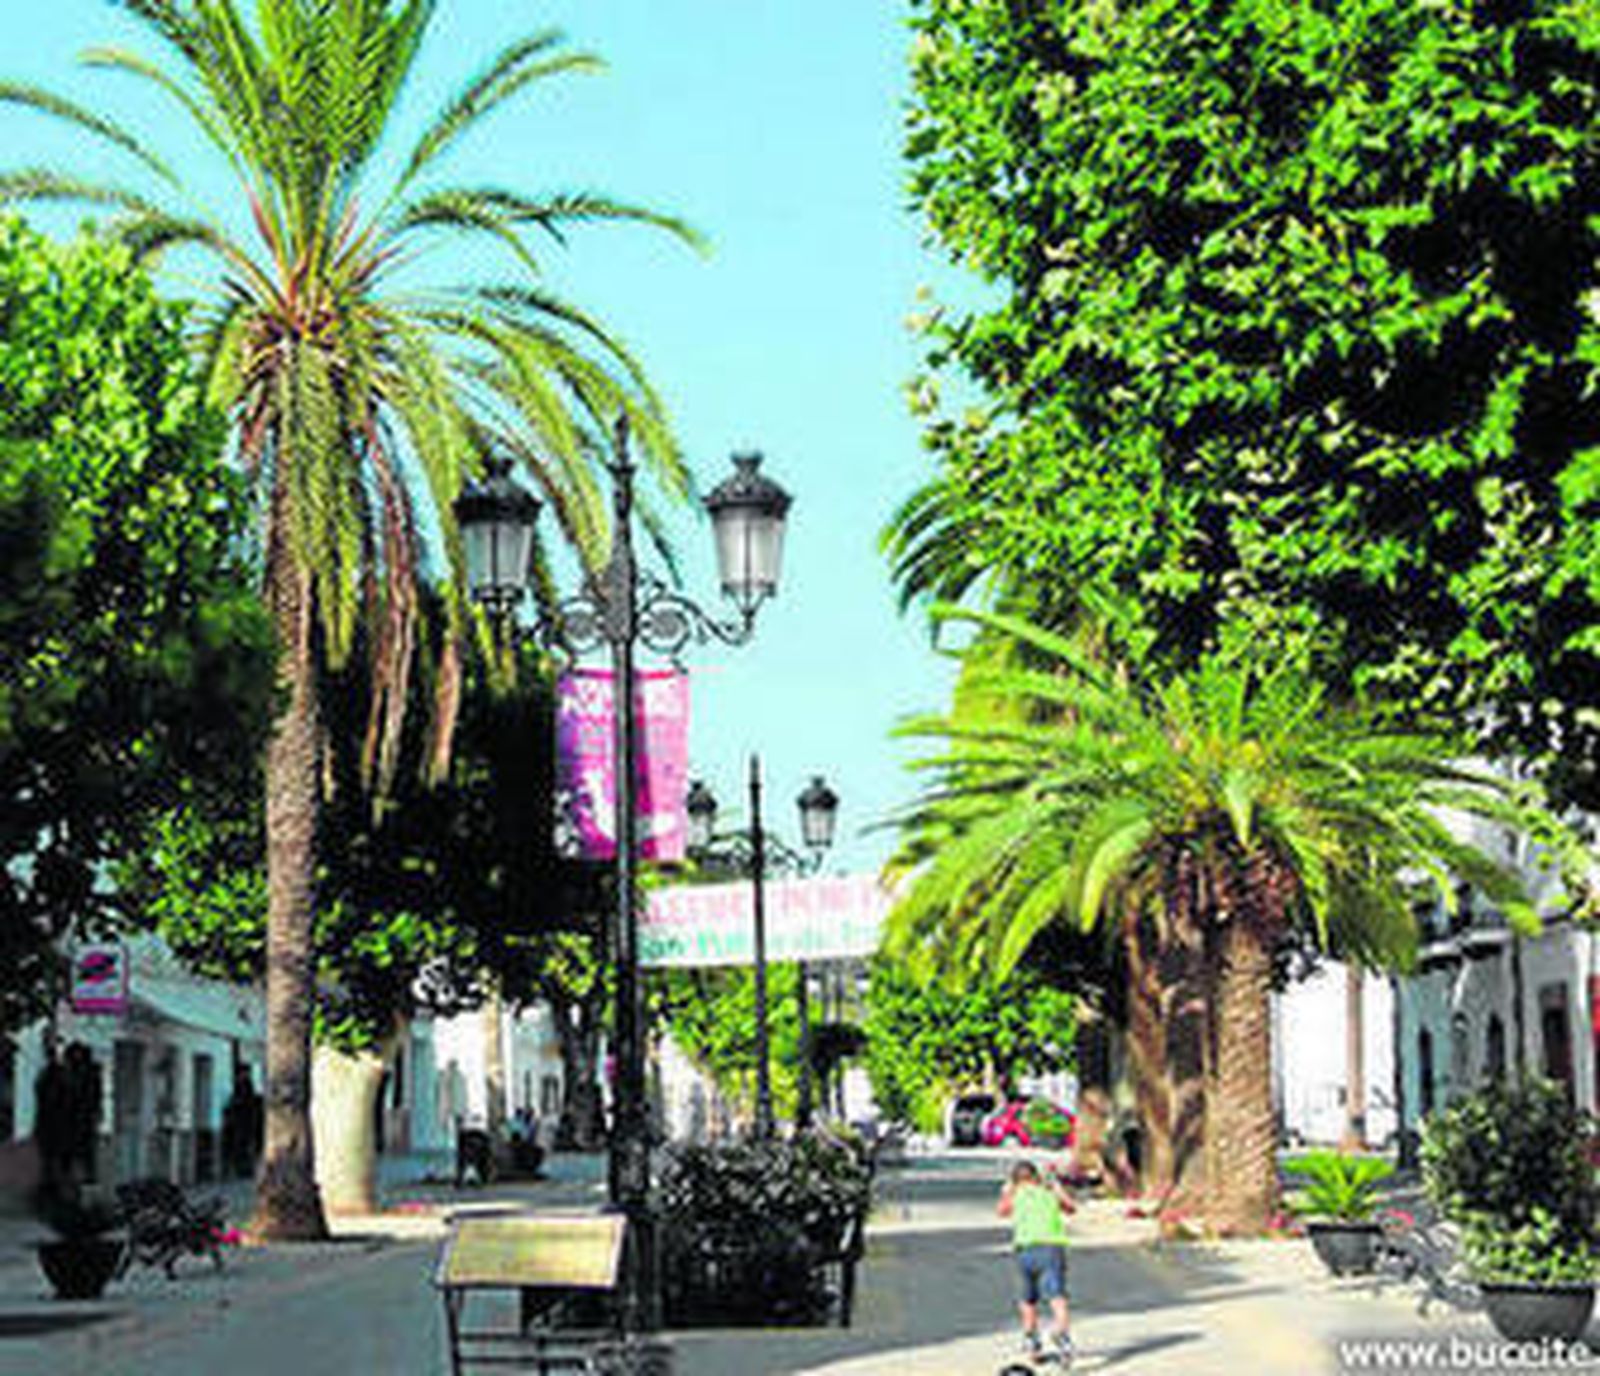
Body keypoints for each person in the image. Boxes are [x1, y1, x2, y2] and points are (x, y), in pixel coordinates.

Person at [997, 1160, 1076, 1365]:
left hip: (1025, 1249)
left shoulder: (1016, 1195)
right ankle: (1061, 1333)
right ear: (1036, 1178)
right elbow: (1070, 1208)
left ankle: (1032, 1339)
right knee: (1057, 1296)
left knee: (1028, 1298)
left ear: (1016, 1181)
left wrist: (1007, 1191)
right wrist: (1056, 1186)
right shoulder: (1050, 1193)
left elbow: (1002, 1210)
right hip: (1052, 1248)